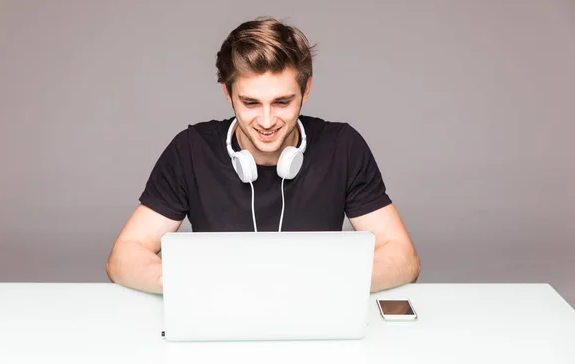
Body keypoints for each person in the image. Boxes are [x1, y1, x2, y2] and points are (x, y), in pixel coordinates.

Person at [106, 17, 420, 294]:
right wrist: (194, 285)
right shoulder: (190, 150)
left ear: (306, 90)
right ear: (227, 93)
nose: (267, 122)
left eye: (282, 102)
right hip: (220, 309)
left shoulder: (343, 147)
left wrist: (325, 285)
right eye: (251, 103)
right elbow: (124, 256)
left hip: (312, 313)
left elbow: (403, 258)